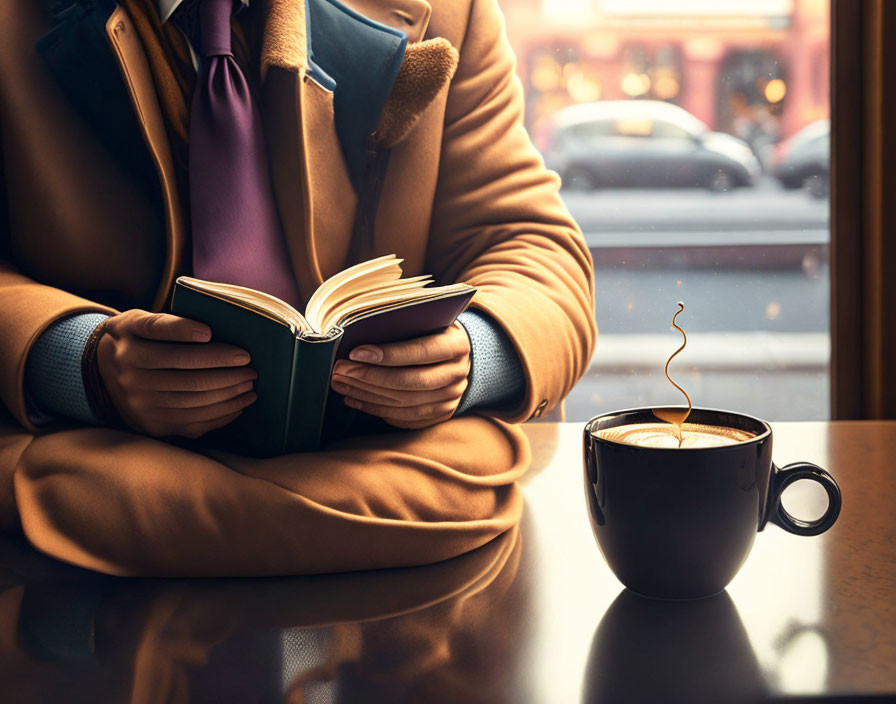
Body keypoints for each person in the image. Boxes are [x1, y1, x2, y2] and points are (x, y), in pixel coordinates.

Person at [0, 0, 596, 575]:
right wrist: (82, 362)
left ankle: (67, 496)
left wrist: (471, 357)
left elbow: (534, 246)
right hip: (399, 491)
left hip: (110, 495)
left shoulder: (452, 8)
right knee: (474, 466)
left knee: (67, 488)